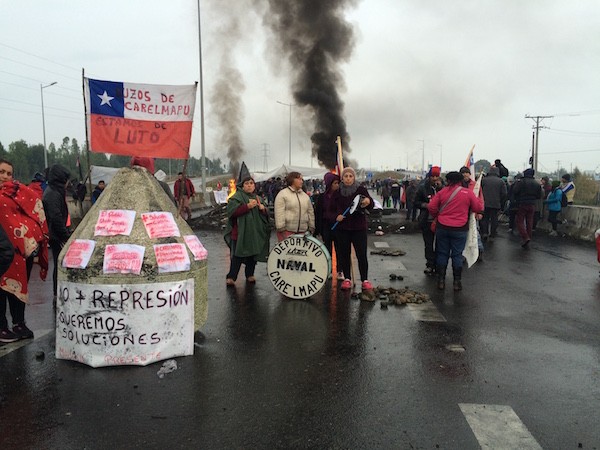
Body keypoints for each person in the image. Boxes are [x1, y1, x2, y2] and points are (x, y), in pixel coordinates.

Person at [1, 158, 49, 342]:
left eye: (8, 173)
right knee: (2, 291)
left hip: (21, 253)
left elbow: (33, 212)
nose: (5, 176)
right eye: (1, 172)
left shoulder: (19, 192)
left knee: (20, 288)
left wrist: (34, 240)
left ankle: (19, 323)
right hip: (2, 252)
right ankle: (2, 326)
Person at [428, 171, 484, 291]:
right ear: (460, 181)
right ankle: (457, 282)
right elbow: (478, 207)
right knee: (457, 255)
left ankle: (441, 281)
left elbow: (431, 206)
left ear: (447, 181)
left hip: (442, 227)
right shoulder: (467, 193)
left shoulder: (442, 192)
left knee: (442, 253)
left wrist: (437, 216)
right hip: (460, 228)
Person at [223, 175, 270, 286]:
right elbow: (232, 213)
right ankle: (231, 277)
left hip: (254, 232)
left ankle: (249, 274)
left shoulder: (258, 198)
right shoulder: (236, 197)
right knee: (238, 255)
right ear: (242, 186)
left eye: (251, 183)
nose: (249, 186)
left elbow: (265, 214)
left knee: (252, 255)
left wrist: (263, 209)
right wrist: (247, 207)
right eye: (246, 184)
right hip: (240, 233)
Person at [333, 167, 374, 291]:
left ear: (354, 177)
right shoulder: (337, 192)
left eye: (351, 176)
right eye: (346, 176)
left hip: (359, 227)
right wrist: (337, 216)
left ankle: (365, 280)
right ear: (342, 178)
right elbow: (331, 209)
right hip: (343, 228)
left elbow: (370, 204)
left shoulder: (361, 190)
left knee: (361, 254)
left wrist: (368, 201)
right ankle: (347, 279)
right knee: (344, 254)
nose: (348, 179)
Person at [42, 163, 72, 305]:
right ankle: (58, 292)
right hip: (56, 235)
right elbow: (55, 216)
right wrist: (65, 235)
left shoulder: (54, 191)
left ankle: (58, 291)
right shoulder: (54, 193)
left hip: (56, 234)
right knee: (60, 264)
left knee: (59, 263)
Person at [414, 166, 442, 275]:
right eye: (433, 176)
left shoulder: (443, 188)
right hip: (427, 220)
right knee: (429, 244)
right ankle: (430, 264)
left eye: (436, 176)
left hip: (440, 221)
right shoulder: (422, 188)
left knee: (440, 245)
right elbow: (415, 202)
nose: (435, 178)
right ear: (429, 176)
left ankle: (439, 264)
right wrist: (426, 205)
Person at [314, 172, 342, 279]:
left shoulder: (340, 196)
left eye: (338, 183)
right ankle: (328, 269)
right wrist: (318, 229)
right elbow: (319, 213)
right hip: (326, 226)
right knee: (327, 249)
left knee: (339, 249)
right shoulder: (322, 197)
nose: (337, 185)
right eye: (335, 183)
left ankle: (340, 270)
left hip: (338, 226)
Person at [274, 171, 315, 241]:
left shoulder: (305, 196)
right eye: (299, 179)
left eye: (302, 179)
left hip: (303, 233)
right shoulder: (283, 194)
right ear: (292, 180)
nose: (302, 181)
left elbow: (310, 212)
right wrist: (281, 228)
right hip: (286, 232)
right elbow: (279, 212)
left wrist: (311, 226)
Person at [513, 168, 542, 249]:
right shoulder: (537, 184)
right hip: (532, 204)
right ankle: (528, 237)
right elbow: (539, 196)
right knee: (530, 221)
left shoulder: (521, 182)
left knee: (520, 221)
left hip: (522, 203)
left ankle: (525, 237)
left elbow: (515, 191)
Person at [480, 166, 507, 240]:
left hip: (484, 203)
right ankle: (492, 234)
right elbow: (504, 194)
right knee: (494, 219)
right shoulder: (501, 181)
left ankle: (485, 232)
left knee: (484, 218)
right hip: (496, 203)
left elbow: (479, 191)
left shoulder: (484, 180)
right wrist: (501, 202)